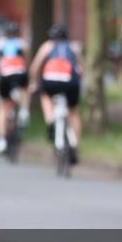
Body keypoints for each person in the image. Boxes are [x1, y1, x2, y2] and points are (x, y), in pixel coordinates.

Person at [28, 25, 82, 164]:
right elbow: (81, 69)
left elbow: (34, 67)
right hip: (70, 82)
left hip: (50, 81)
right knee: (73, 112)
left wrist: (33, 82)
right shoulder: (74, 47)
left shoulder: (47, 46)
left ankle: (51, 121)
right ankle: (75, 145)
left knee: (45, 97)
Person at [0, 21, 30, 154]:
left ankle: (1, 140)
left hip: (5, 75)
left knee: (2, 107)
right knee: (25, 88)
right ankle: (24, 110)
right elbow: (27, 62)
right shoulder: (23, 43)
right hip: (20, 73)